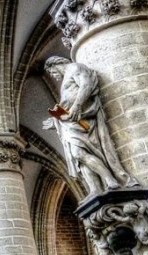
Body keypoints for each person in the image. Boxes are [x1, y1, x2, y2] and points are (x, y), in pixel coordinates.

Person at [42, 56, 139, 199]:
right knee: (79, 158)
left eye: (51, 72)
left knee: (78, 153)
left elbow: (86, 84)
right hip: (71, 121)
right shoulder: (67, 76)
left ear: (55, 64)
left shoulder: (74, 67)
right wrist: (56, 119)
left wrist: (77, 105)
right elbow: (67, 102)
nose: (53, 76)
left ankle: (110, 180)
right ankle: (95, 189)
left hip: (83, 118)